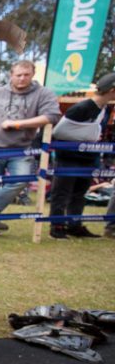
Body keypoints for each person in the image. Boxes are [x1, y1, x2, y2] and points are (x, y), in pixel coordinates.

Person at [0, 60, 61, 237]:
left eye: (26, 75)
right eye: (18, 75)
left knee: (21, 180)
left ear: (32, 75)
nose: (22, 78)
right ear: (11, 75)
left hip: (21, 149)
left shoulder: (43, 94)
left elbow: (52, 116)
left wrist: (19, 123)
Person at [48, 71, 115, 239]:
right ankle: (57, 226)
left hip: (88, 157)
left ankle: (74, 225)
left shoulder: (104, 109)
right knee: (61, 192)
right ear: (112, 90)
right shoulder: (83, 107)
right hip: (69, 156)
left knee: (80, 192)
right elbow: (59, 131)